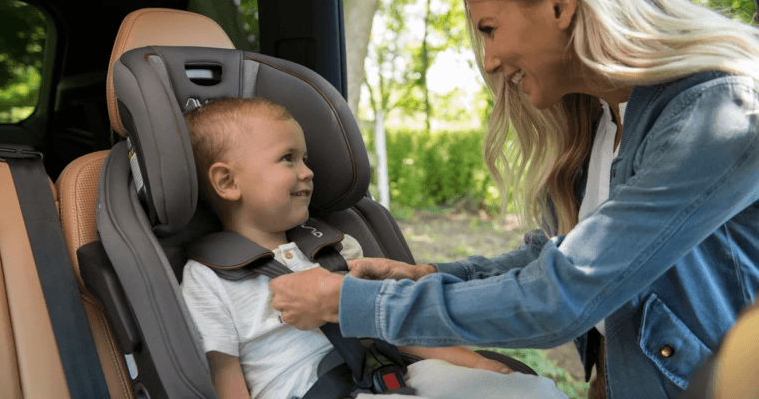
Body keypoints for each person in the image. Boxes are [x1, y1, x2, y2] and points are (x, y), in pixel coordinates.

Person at [267, 0, 759, 398]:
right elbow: (567, 258)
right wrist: (432, 275)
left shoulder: (718, 113)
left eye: (489, 29)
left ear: (559, 2)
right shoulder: (601, 120)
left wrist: (346, 302)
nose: (488, 61)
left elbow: (558, 297)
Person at [179, 97, 569, 399]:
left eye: (306, 158)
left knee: (531, 391)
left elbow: (393, 322)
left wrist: (476, 363)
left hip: (394, 374)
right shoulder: (209, 278)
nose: (308, 171)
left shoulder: (334, 245)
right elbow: (224, 376)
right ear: (227, 182)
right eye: (288, 159)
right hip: (308, 391)